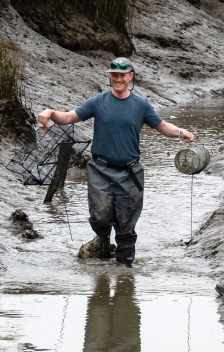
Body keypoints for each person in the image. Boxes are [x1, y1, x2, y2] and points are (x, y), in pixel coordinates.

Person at [37, 57, 195, 267]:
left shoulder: (141, 105)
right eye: (114, 75)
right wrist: (50, 112)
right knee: (100, 216)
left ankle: (124, 271)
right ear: (110, 77)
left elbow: (162, 126)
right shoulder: (98, 102)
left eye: (122, 75)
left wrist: (181, 132)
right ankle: (102, 240)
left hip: (131, 172)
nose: (118, 79)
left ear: (130, 77)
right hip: (100, 170)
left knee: (126, 226)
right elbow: (68, 118)